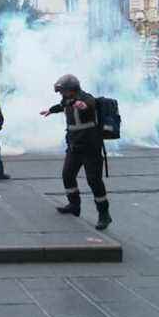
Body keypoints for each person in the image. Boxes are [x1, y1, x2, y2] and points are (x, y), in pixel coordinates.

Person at [40, 74, 112, 230]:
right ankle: (74, 205)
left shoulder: (86, 98)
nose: (61, 94)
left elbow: (89, 105)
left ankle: (104, 214)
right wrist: (50, 111)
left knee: (94, 181)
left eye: (62, 91)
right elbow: (62, 105)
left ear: (71, 89)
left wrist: (83, 106)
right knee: (67, 175)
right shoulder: (68, 100)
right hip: (74, 147)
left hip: (91, 148)